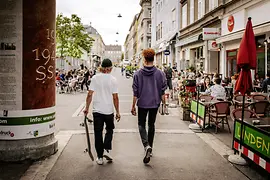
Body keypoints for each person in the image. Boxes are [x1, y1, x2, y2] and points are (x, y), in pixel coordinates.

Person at [131, 48, 167, 164]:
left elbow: (135, 92)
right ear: (153, 58)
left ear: (144, 59)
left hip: (142, 103)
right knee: (151, 124)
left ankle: (146, 145)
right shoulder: (160, 73)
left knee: (141, 124)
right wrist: (164, 104)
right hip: (155, 103)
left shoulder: (137, 74)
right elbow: (162, 91)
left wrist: (133, 106)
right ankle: (150, 148)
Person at [83, 59, 121, 165]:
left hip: (97, 111)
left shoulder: (95, 78)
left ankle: (100, 157)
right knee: (110, 129)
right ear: (109, 68)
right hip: (109, 111)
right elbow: (115, 97)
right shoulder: (113, 80)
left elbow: (89, 94)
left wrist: (86, 108)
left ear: (102, 68)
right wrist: (117, 111)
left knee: (98, 133)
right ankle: (106, 149)